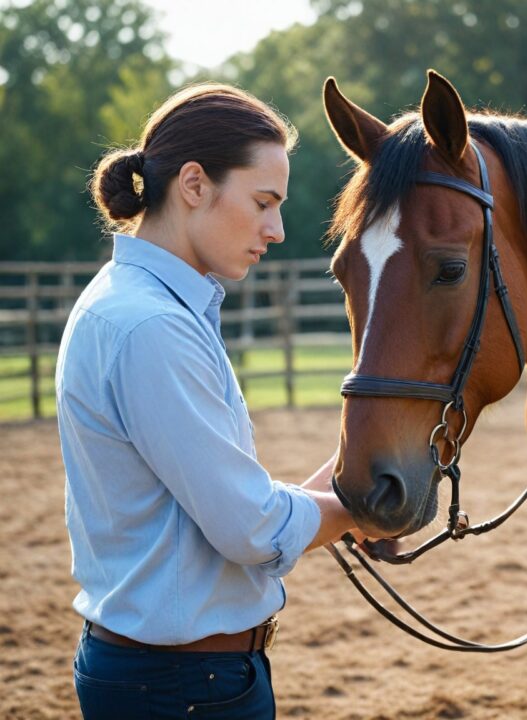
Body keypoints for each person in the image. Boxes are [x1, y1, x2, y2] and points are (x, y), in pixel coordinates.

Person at [56, 82, 357, 719]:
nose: (276, 229)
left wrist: (339, 484)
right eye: (263, 202)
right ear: (194, 185)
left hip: (173, 677)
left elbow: (205, 512)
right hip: (184, 687)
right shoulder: (152, 327)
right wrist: (359, 512)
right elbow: (249, 529)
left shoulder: (134, 304)